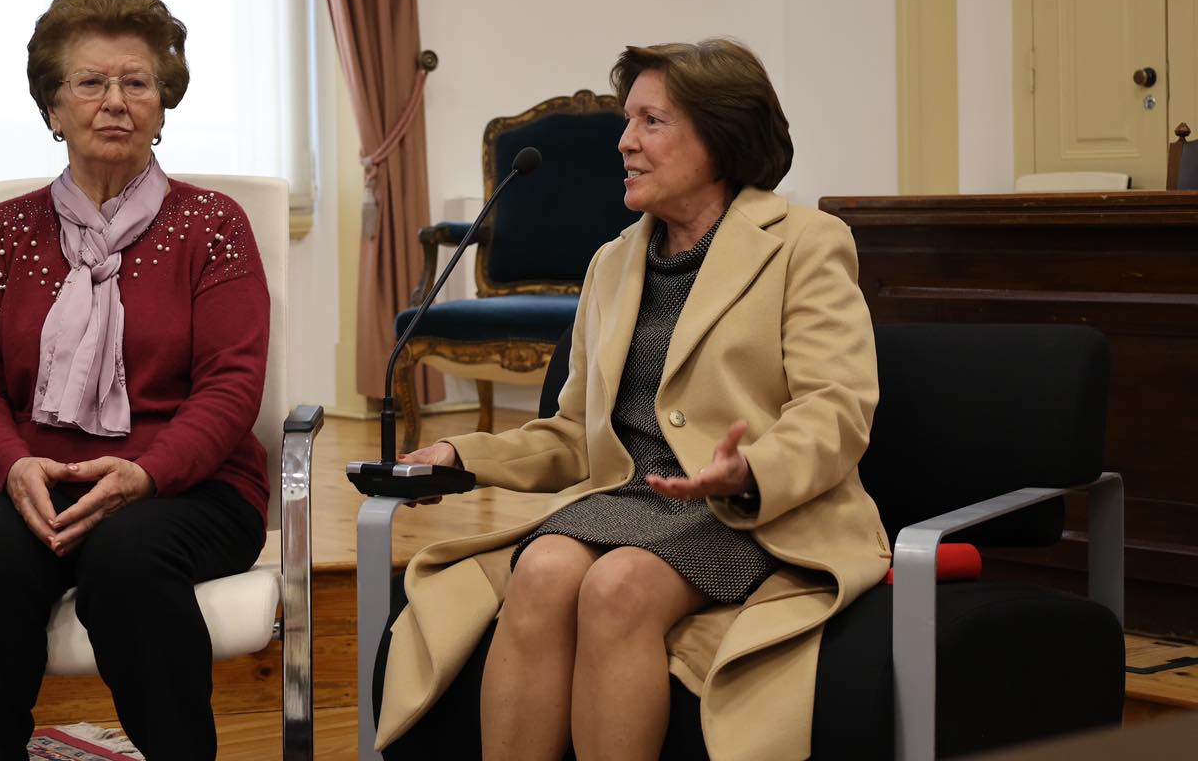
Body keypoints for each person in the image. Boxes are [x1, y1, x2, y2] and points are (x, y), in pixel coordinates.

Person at [378, 39, 890, 761]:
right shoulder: (613, 261)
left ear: (721, 138)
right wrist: (462, 454)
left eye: (652, 121)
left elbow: (836, 407)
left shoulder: (806, 242)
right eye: (628, 120)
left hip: (751, 512)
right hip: (629, 497)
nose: (624, 142)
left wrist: (750, 471)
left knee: (617, 585)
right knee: (542, 570)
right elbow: (571, 434)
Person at [0, 0, 270, 761]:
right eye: (90, 82)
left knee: (127, 562)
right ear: (53, 107)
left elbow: (232, 384)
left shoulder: (214, 225)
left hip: (186, 486)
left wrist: (146, 474)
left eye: (136, 82)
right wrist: (10, 465)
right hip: (32, 479)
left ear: (162, 103)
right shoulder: (6, 232)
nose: (115, 102)